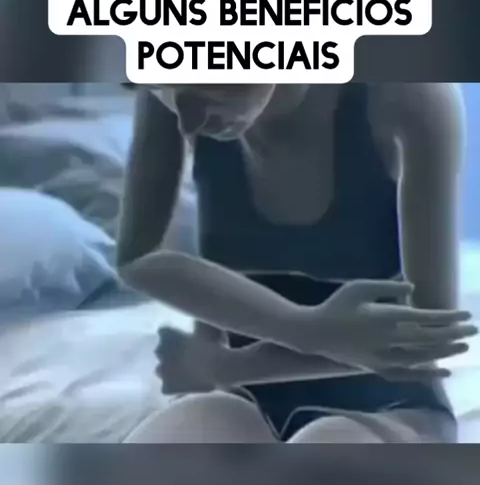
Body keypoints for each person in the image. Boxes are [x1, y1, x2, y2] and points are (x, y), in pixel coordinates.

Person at [118, 83, 476, 443]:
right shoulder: (171, 86)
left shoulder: (406, 94)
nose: (188, 123)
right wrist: (301, 329)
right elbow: (138, 257)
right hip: (240, 397)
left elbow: (429, 336)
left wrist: (237, 363)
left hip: (390, 403)